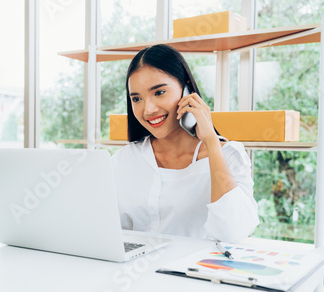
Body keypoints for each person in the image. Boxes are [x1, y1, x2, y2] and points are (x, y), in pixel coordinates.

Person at [111, 44, 259, 243]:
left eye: (159, 92)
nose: (148, 109)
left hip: (198, 272)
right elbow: (107, 230)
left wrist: (212, 143)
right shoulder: (123, 160)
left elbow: (232, 232)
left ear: (186, 87)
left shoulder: (229, 155)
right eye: (136, 98)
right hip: (135, 271)